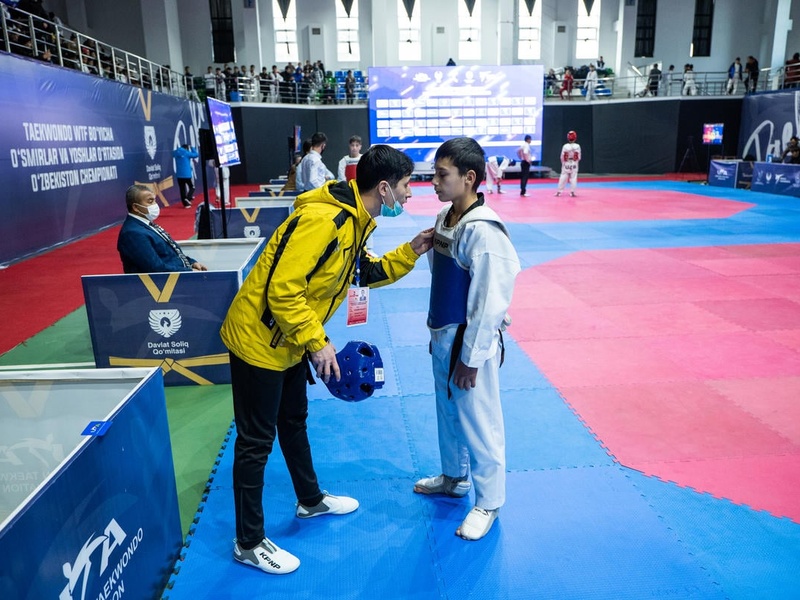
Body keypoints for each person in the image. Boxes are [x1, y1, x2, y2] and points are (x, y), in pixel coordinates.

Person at [219, 144, 435, 574]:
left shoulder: (355, 220)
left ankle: (310, 500)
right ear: (385, 187)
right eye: (408, 186)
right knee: (255, 444)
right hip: (259, 342)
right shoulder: (324, 220)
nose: (410, 196)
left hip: (289, 340)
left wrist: (411, 250)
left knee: (294, 422)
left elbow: (363, 274)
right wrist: (317, 342)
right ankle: (248, 541)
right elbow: (283, 289)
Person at [414, 137, 520, 542]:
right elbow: (442, 277)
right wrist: (436, 332)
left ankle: (489, 500)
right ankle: (455, 476)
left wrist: (470, 358)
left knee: (479, 419)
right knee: (447, 412)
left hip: (468, 341)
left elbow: (490, 302)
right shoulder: (446, 217)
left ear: (469, 178)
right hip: (443, 332)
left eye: (442, 175)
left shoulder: (485, 231)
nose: (434, 182)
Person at [117, 184, 207, 273]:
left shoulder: (146, 224)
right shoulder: (133, 233)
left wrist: (191, 263)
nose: (155, 205)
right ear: (136, 207)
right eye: (150, 201)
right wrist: (189, 271)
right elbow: (155, 268)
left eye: (154, 200)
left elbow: (170, 253)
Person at [555, 130, 581, 197]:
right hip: (574, 163)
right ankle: (572, 192)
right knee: (573, 177)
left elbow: (562, 156)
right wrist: (576, 162)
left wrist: (563, 163)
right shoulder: (577, 146)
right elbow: (579, 157)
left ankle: (559, 192)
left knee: (563, 177)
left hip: (566, 163)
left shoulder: (565, 146)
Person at [173, 144, 199, 208]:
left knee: (182, 189)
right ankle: (188, 198)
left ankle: (186, 204)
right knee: (192, 187)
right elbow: (196, 155)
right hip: (186, 174)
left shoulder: (176, 152)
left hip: (179, 175)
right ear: (187, 148)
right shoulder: (186, 153)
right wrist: (192, 147)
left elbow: (173, 153)